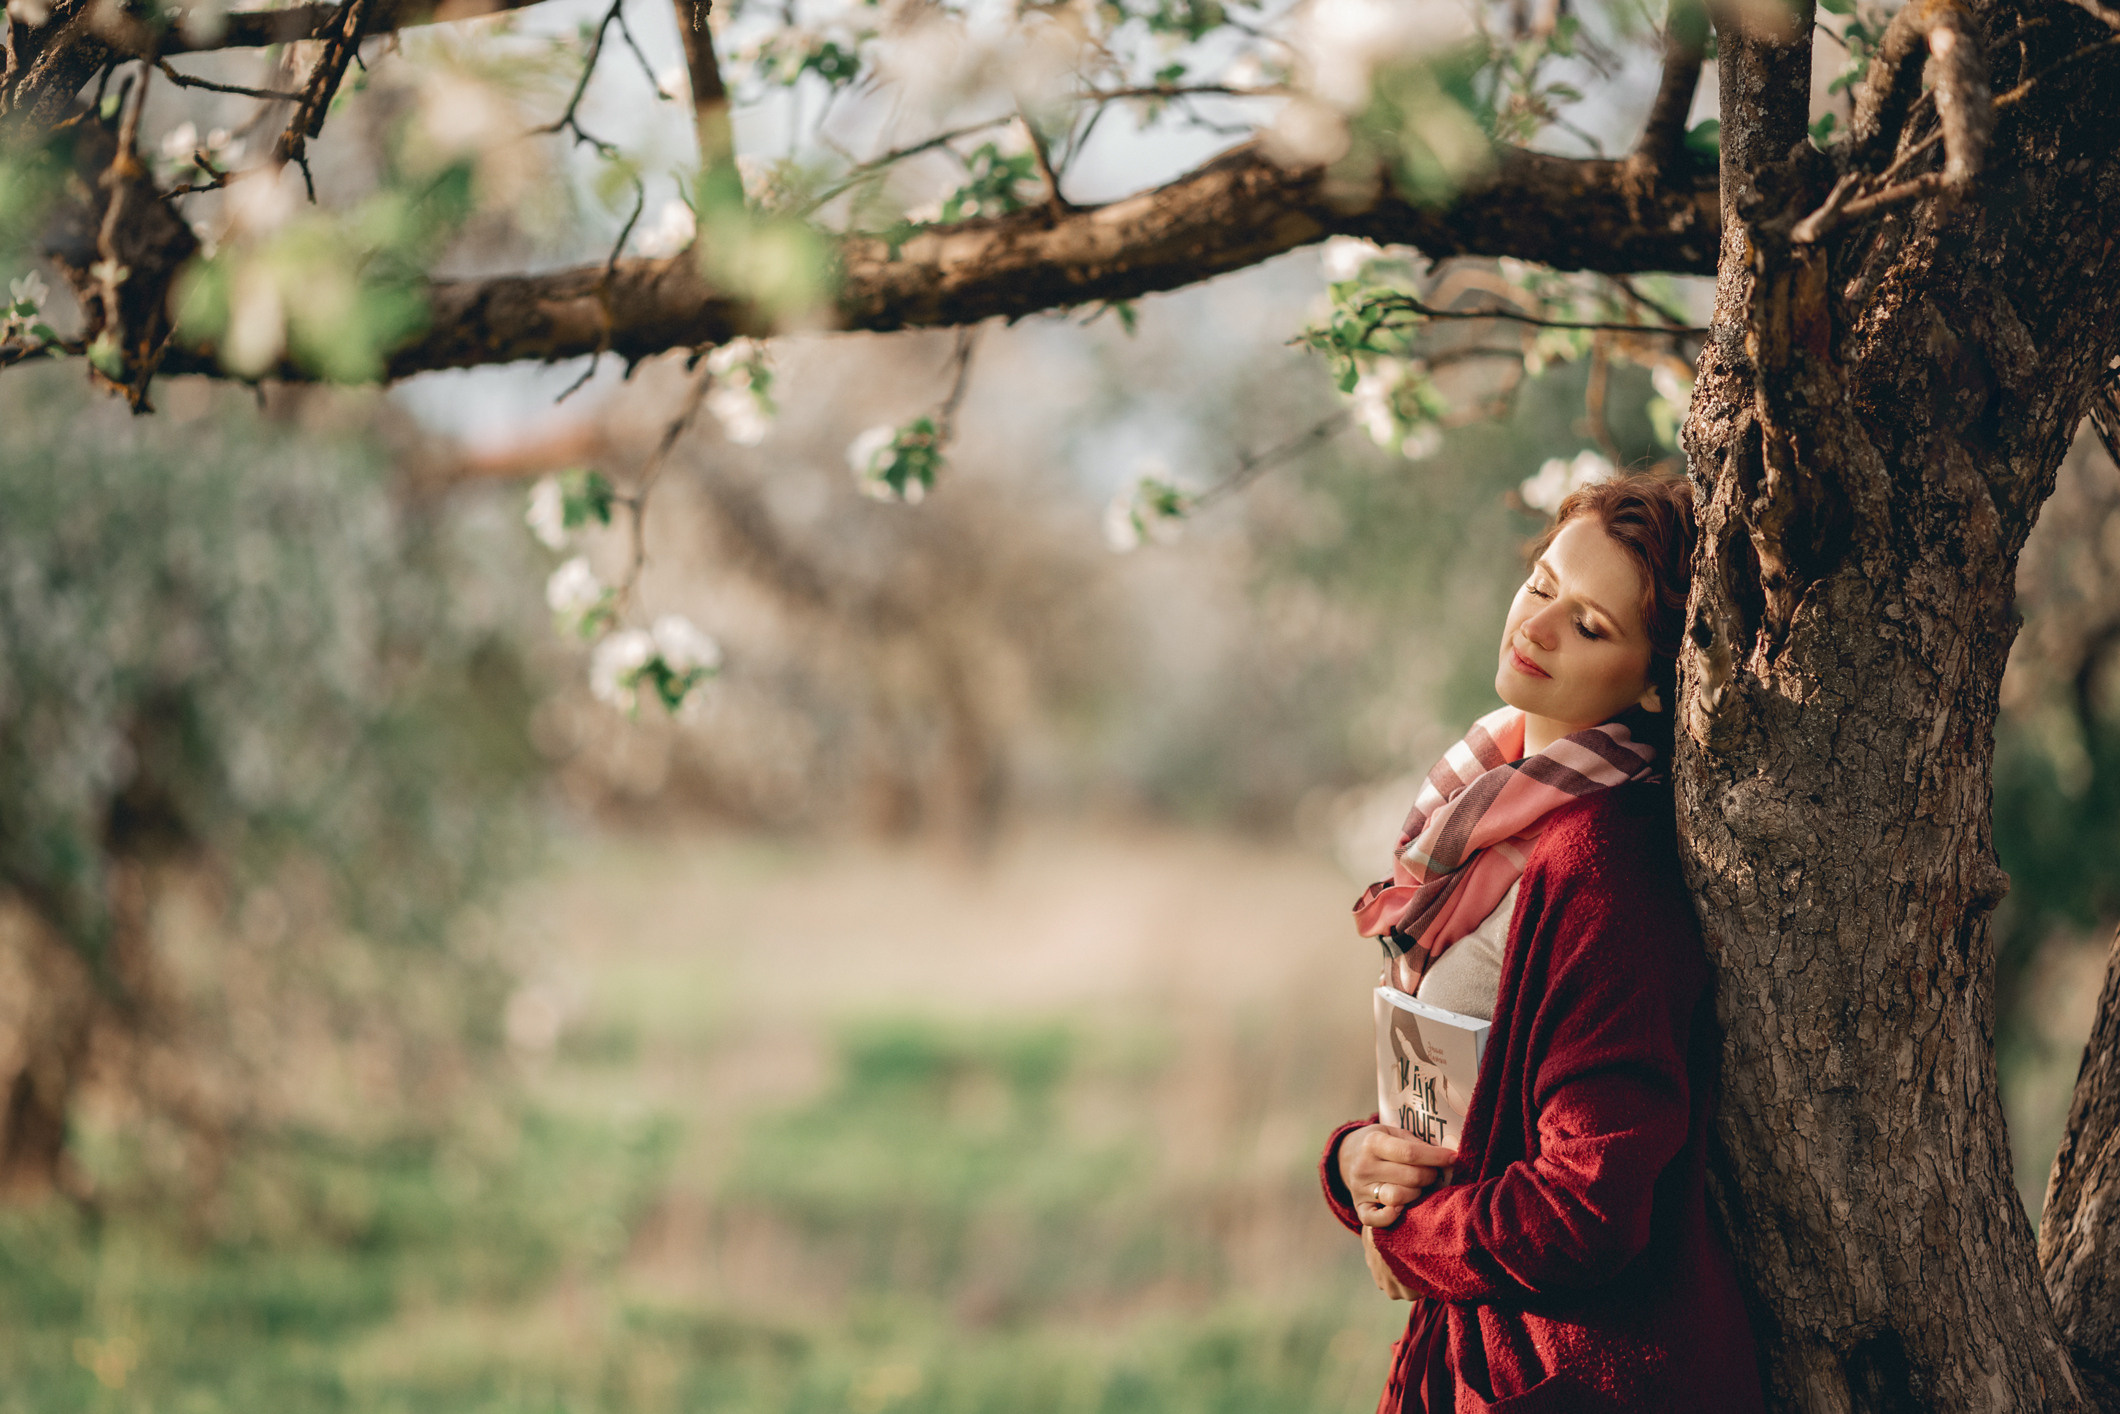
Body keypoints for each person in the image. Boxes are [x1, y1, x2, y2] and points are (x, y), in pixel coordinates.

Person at [1320, 472, 1765, 1413]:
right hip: (1487, 1351)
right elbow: (1476, 1108)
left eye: (1592, 626)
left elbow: (1587, 1207)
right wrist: (1360, 1165)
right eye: (1543, 584)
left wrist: (1407, 1237)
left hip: (1578, 1375)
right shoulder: (1485, 816)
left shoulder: (1606, 863)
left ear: (1655, 676)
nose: (1539, 625)